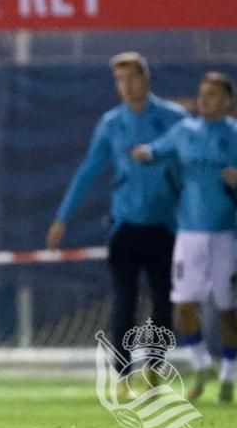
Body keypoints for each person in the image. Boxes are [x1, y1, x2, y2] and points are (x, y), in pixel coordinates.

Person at [46, 52, 187, 377]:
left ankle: (154, 367)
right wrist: (62, 217)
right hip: (125, 224)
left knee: (163, 301)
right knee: (124, 300)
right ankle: (122, 372)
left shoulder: (174, 118)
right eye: (120, 80)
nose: (126, 85)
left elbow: (190, 165)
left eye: (132, 77)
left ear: (146, 79)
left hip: (166, 225)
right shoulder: (111, 123)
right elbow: (88, 171)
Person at [132, 72, 237, 404]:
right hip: (189, 234)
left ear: (228, 101)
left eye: (213, 94)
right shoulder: (184, 131)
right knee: (182, 304)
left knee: (228, 308)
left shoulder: (234, 136)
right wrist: (143, 152)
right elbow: (155, 149)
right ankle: (201, 364)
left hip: (226, 235)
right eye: (202, 93)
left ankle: (228, 377)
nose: (204, 99)